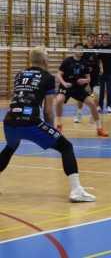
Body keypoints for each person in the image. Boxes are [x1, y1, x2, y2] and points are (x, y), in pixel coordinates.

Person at [0, 47, 95, 202]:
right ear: (45, 60)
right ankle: (76, 190)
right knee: (66, 147)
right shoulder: (48, 77)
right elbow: (48, 111)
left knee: (10, 147)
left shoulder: (19, 75)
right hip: (30, 123)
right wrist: (51, 129)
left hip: (9, 122)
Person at [55, 43, 108, 137]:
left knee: (92, 104)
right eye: (78, 49)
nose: (80, 51)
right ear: (74, 50)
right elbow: (58, 74)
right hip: (67, 86)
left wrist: (85, 80)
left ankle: (99, 128)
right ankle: (59, 125)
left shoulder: (85, 63)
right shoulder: (67, 61)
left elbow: (89, 78)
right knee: (59, 100)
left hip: (78, 88)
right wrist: (64, 83)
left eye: (82, 49)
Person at [74, 33, 100, 123]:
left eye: (93, 38)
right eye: (90, 37)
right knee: (81, 96)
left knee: (97, 95)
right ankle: (79, 114)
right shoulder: (83, 48)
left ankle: (93, 115)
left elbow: (100, 60)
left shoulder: (97, 48)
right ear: (87, 38)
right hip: (84, 75)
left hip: (96, 75)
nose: (92, 39)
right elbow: (79, 59)